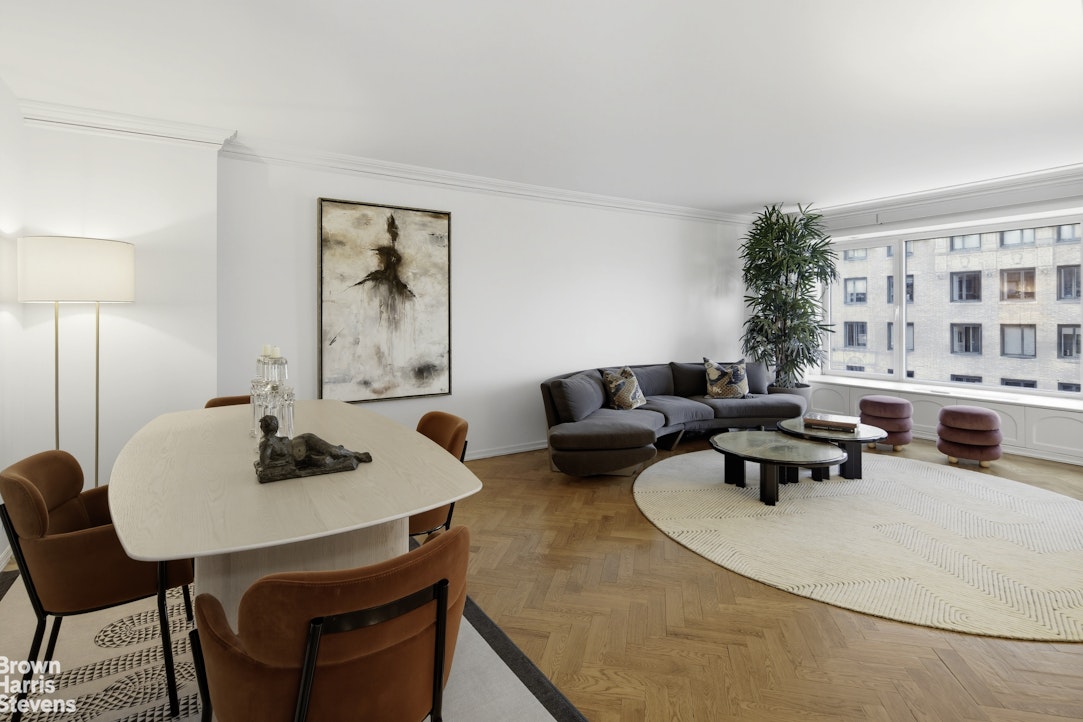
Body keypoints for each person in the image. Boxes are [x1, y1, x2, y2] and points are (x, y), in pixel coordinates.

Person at [255, 415, 371, 482]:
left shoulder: (272, 439)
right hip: (303, 454)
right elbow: (265, 464)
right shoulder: (267, 443)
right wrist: (285, 461)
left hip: (305, 441)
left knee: (332, 451)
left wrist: (285, 460)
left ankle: (354, 454)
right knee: (325, 459)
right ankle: (340, 451)